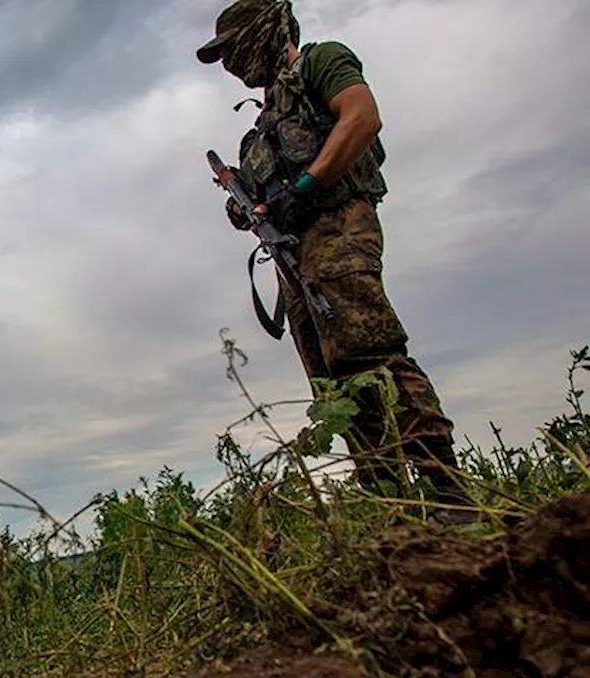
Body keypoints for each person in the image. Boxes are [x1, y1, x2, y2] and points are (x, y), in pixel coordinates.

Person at [195, 0, 474, 513]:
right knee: (336, 386)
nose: (231, 66)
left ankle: (449, 494)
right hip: (296, 261)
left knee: (372, 355)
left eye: (233, 51)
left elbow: (362, 118)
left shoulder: (321, 63)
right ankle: (394, 506)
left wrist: (305, 185)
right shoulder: (263, 126)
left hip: (340, 229)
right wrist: (256, 208)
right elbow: (270, 200)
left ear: (262, 33)